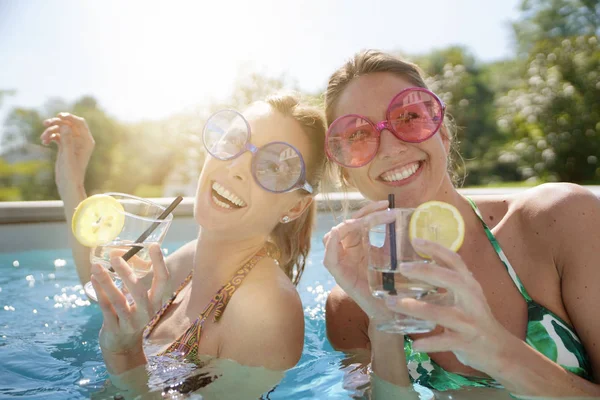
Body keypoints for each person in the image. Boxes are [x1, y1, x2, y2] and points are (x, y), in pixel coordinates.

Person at [322, 49, 600, 398]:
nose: (390, 148)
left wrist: (503, 355)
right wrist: (384, 324)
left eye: (408, 116)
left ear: (442, 132)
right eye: (357, 135)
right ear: (346, 173)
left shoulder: (560, 219)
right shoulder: (350, 302)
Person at [40, 93, 327, 397]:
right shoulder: (190, 259)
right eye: (234, 141)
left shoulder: (267, 311)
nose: (237, 167)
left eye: (272, 167)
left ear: (295, 208)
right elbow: (104, 290)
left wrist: (123, 353)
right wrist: (70, 180)